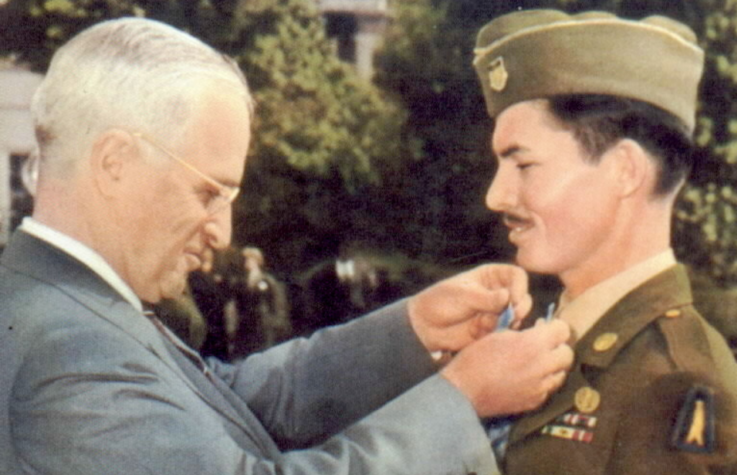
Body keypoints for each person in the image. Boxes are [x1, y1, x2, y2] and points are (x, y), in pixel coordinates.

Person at [0, 18, 574, 475]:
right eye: (208, 192)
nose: (222, 233)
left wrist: (414, 329)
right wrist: (461, 399)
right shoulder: (68, 349)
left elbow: (234, 401)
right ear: (114, 162)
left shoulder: (61, 304)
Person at [472, 9, 737, 474]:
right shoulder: (555, 342)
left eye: (525, 165)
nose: (496, 196)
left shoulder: (673, 382)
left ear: (624, 171)